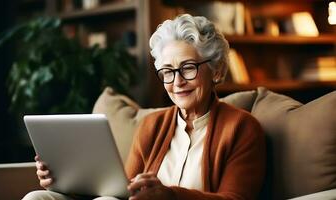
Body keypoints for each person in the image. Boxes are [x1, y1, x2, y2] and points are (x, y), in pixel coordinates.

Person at [23, 14, 266, 200]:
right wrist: (63, 180)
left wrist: (169, 195)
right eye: (168, 72)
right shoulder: (152, 125)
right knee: (38, 197)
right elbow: (122, 192)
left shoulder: (242, 128)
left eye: (188, 67)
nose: (177, 81)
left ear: (217, 70)